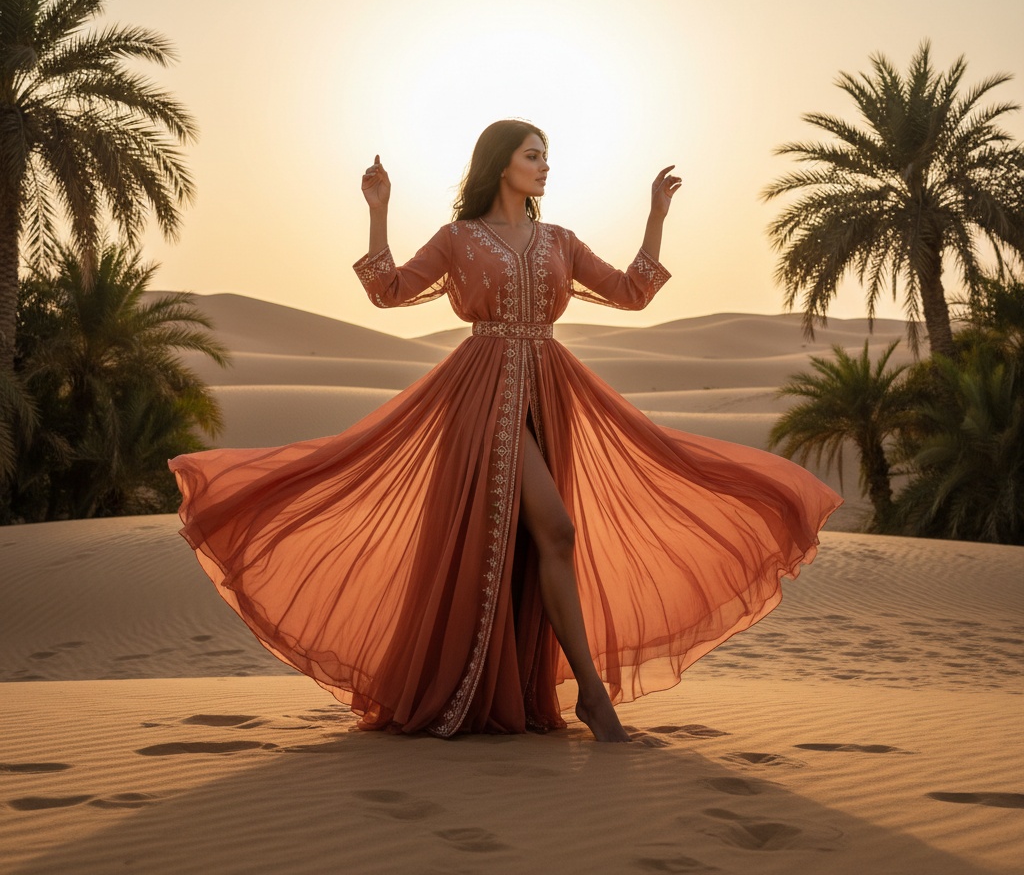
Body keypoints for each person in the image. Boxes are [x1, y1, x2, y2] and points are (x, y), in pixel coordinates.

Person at [169, 119, 841, 742]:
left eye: (547, 156)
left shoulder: (561, 241)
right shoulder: (457, 238)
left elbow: (632, 292)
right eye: (532, 155)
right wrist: (378, 210)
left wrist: (655, 218)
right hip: (483, 392)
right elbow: (389, 291)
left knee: (544, 538)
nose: (545, 167)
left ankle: (540, 685)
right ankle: (594, 696)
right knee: (558, 529)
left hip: (551, 390)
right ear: (500, 165)